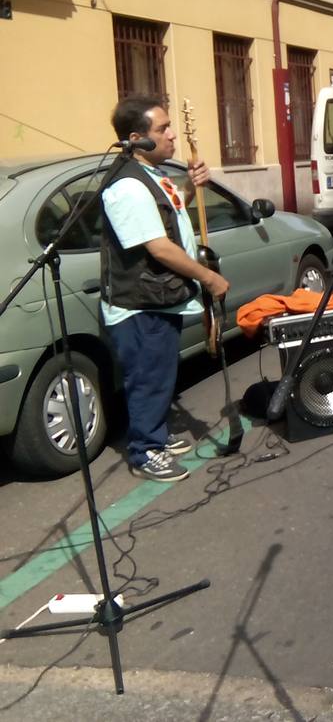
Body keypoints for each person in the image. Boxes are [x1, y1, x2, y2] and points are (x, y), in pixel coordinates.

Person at [101, 96, 229, 481]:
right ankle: (145, 451)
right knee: (147, 377)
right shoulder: (127, 187)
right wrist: (207, 278)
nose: (172, 135)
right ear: (137, 138)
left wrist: (190, 185)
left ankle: (153, 432)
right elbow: (157, 247)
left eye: (171, 126)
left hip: (157, 297)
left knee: (159, 374)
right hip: (139, 303)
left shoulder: (152, 175)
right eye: (162, 129)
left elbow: (170, 213)